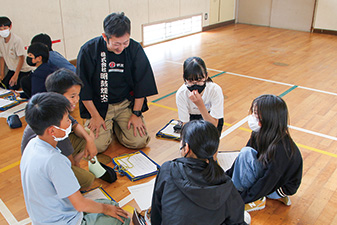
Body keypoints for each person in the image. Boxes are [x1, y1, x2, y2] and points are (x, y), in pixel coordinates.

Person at [21, 92, 129, 224]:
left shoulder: (33, 144)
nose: (70, 123)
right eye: (67, 120)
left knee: (109, 204)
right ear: (52, 131)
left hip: (44, 216)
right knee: (121, 217)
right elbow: (79, 204)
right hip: (64, 221)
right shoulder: (55, 161)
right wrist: (106, 209)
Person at [77, 12, 158, 153]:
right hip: (99, 107)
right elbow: (83, 88)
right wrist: (95, 116)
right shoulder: (88, 51)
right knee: (96, 147)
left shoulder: (134, 49)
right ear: (105, 37)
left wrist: (136, 113)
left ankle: (116, 127)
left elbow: (142, 83)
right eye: (116, 44)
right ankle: (107, 127)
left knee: (139, 141)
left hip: (125, 104)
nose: (121, 48)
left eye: (125, 42)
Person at [151, 120, 249, 225]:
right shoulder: (225, 184)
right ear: (214, 150)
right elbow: (236, 220)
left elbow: (156, 212)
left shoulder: (168, 168)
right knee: (245, 217)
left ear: (187, 147)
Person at [21, 68, 99, 190]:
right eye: (72, 96)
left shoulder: (54, 105)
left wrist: (89, 140)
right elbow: (69, 159)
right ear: (58, 95)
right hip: (40, 164)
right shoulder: (57, 125)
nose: (77, 100)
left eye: (78, 95)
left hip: (42, 153)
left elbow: (75, 124)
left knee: (86, 133)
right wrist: (75, 164)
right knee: (87, 180)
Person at [226, 94, 303, 212]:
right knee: (246, 153)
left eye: (256, 114)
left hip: (279, 186)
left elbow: (269, 180)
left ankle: (257, 200)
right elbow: (240, 160)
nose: (252, 116)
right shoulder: (259, 133)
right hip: (272, 177)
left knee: (246, 154)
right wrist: (224, 177)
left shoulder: (281, 149)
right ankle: (252, 194)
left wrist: (242, 199)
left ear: (268, 118)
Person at [176, 56, 224, 135]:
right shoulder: (181, 94)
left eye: (199, 81)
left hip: (210, 118)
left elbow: (214, 125)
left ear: (206, 76)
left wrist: (200, 105)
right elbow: (185, 125)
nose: (195, 85)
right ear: (184, 79)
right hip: (192, 119)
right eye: (191, 81)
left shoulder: (215, 90)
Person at [0, 16, 31, 90]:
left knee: (13, 87)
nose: (3, 31)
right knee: (3, 86)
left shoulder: (16, 40)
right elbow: (2, 57)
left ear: (10, 27)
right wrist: (2, 74)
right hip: (12, 70)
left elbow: (21, 58)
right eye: (0, 29)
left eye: (5, 28)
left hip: (22, 71)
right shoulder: (1, 40)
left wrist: (16, 75)